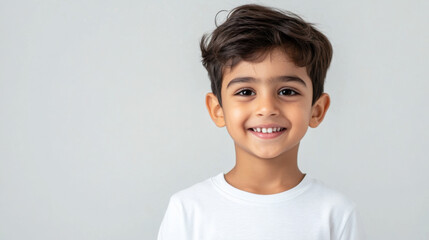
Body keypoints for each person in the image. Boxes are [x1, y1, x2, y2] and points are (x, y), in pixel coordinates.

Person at [157, 4, 366, 240]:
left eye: (287, 91)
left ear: (316, 110)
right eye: (246, 92)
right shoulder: (188, 209)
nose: (267, 108)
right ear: (218, 110)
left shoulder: (336, 213)